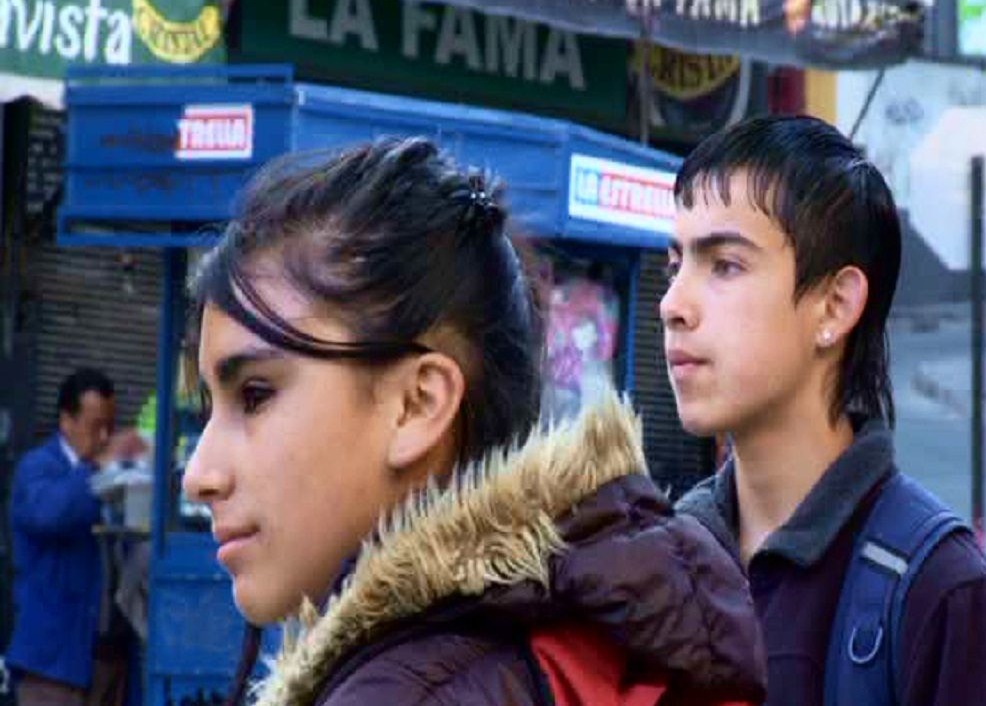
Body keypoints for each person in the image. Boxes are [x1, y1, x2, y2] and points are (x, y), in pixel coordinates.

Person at [180, 137, 766, 706]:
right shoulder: (580, 636)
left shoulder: (418, 689)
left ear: (419, 403)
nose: (199, 476)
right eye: (209, 410)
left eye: (255, 395)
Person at [665, 116, 986, 706]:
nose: (673, 304)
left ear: (835, 305)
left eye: (725, 266)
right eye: (676, 265)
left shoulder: (945, 595)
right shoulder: (665, 566)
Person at [9, 368, 116, 706]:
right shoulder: (38, 467)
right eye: (95, 426)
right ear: (67, 421)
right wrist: (92, 471)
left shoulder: (105, 473)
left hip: (100, 658)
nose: (104, 437)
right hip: (50, 662)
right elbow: (50, 514)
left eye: (109, 426)